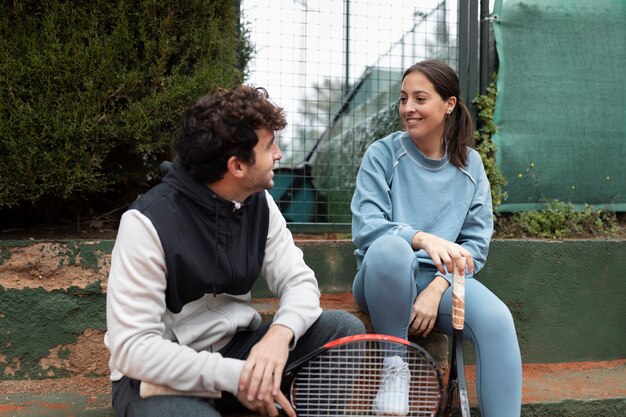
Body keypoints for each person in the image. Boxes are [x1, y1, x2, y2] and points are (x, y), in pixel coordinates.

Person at [105, 85, 365, 417]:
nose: (279, 154)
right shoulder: (146, 223)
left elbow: (299, 282)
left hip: (239, 354)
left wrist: (278, 338)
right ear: (237, 166)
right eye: (270, 146)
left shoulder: (260, 203)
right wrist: (238, 377)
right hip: (161, 375)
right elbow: (134, 350)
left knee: (342, 330)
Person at [351, 60, 522, 416]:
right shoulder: (382, 154)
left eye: (419, 98)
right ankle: (395, 369)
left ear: (449, 104)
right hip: (384, 277)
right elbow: (367, 227)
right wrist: (423, 239)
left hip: (444, 281)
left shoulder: (471, 165)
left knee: (497, 320)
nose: (408, 109)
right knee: (390, 249)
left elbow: (474, 246)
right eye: (403, 99)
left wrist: (439, 286)